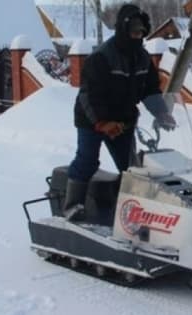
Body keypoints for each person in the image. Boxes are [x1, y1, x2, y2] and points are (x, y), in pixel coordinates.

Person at [63, 3, 176, 217]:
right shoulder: (102, 57)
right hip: (91, 119)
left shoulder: (143, 58)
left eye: (141, 31)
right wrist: (102, 122)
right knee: (88, 160)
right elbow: (89, 94)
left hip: (123, 120)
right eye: (133, 30)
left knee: (130, 168)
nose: (137, 35)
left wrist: (162, 113)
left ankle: (125, 210)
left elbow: (150, 89)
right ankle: (72, 207)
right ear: (123, 29)